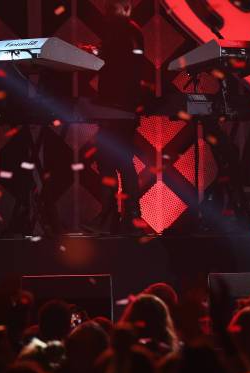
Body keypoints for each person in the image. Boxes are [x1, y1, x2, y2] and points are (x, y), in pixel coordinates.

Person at [85, 0, 144, 235]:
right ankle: (123, 216)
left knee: (117, 160)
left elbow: (123, 64)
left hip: (120, 106)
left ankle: (123, 216)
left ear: (126, 8)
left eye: (112, 7)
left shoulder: (127, 30)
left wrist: (96, 51)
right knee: (112, 159)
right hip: (116, 106)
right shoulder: (125, 31)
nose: (107, 11)